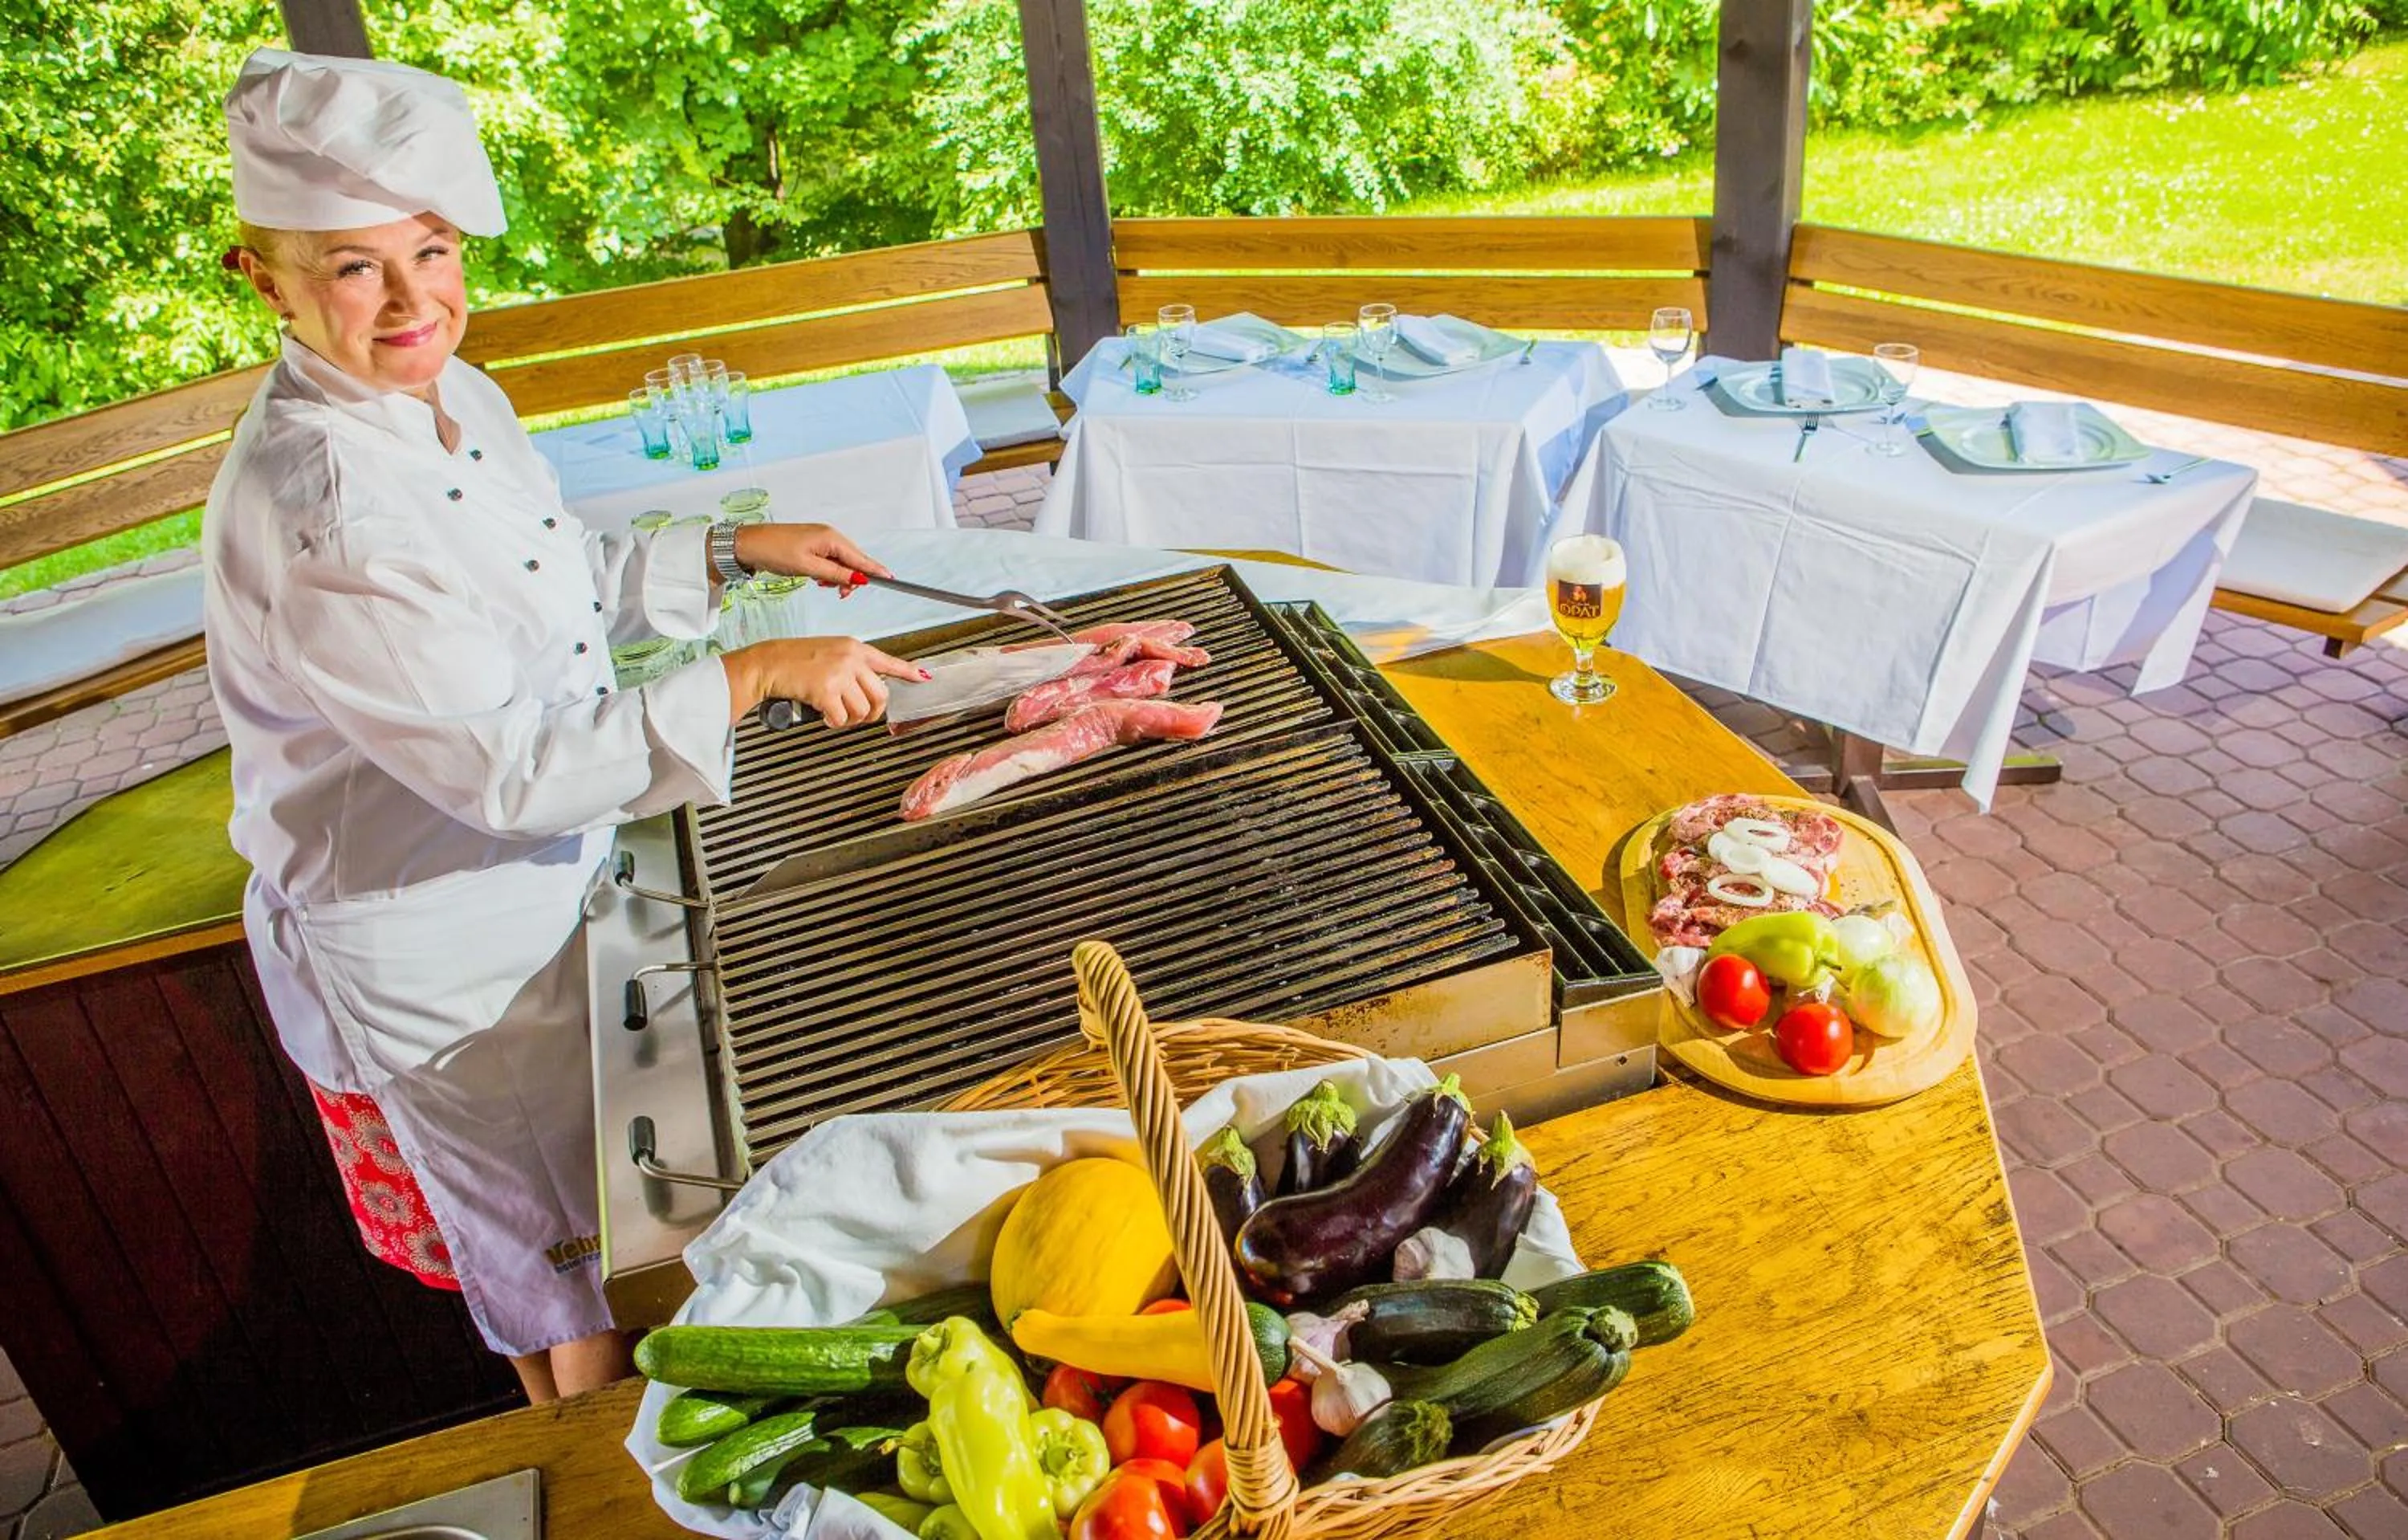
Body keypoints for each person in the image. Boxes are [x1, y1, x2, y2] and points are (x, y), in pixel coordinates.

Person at [203, 48, 921, 1401]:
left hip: (552, 897)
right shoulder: (324, 506)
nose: (417, 298)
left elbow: (539, 585)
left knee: (601, 1255)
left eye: (431, 249)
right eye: (358, 268)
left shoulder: (445, 394)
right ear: (267, 278)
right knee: (562, 1280)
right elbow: (507, 766)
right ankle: (587, 1478)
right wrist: (756, 672)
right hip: (438, 960)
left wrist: (725, 549)